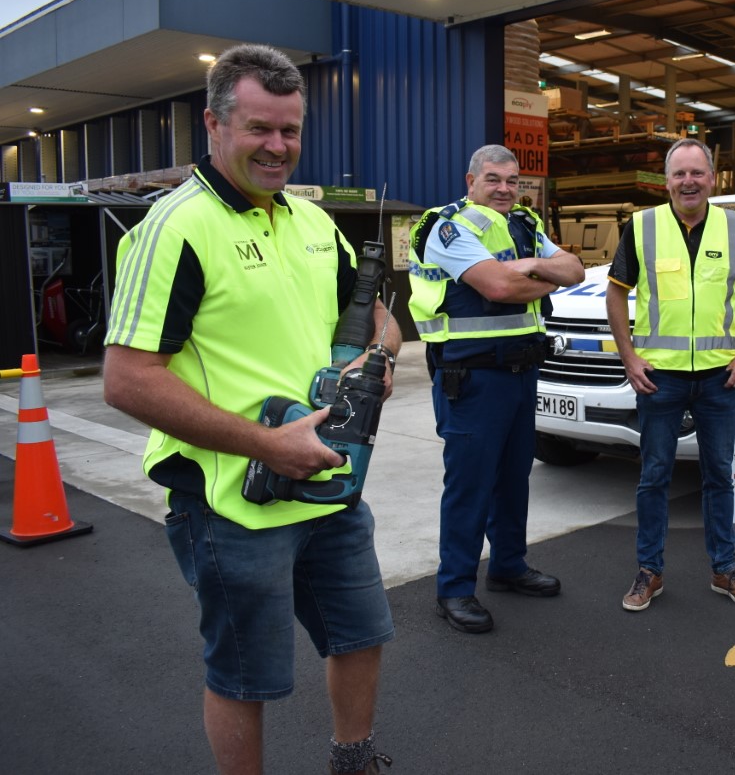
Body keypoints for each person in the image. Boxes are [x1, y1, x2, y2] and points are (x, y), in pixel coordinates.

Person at [102, 44, 401, 775]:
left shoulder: (308, 220)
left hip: (329, 485)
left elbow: (384, 318)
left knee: (361, 633)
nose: (278, 147)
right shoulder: (174, 227)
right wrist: (267, 445)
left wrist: (377, 359)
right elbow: (127, 378)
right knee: (246, 674)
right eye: (260, 128)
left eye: (290, 130)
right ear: (214, 122)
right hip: (233, 499)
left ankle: (352, 759)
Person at [408, 144, 584, 634]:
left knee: (513, 480)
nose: (505, 188)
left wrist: (527, 269)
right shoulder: (448, 227)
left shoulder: (526, 222)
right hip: (472, 380)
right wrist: (527, 274)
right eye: (493, 179)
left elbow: (575, 270)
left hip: (521, 375)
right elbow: (498, 289)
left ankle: (508, 565)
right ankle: (455, 589)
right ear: (470, 181)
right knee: (469, 487)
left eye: (512, 180)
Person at [605, 138, 735, 612]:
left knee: (719, 475)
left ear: (712, 178)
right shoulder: (643, 226)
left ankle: (724, 569)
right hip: (661, 377)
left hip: (721, 377)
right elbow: (615, 294)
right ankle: (649, 572)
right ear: (667, 180)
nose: (689, 182)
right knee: (654, 476)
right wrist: (629, 358)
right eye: (680, 174)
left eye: (697, 173)